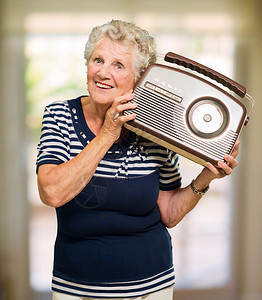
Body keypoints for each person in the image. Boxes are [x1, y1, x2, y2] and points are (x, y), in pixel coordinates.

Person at [36, 19, 239, 300]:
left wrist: (207, 178)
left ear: (140, 79)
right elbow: (51, 192)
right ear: (87, 66)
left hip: (152, 287)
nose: (103, 73)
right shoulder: (59, 116)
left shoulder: (156, 129)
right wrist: (107, 133)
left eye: (118, 65)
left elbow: (168, 212)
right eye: (98, 60)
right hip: (76, 287)